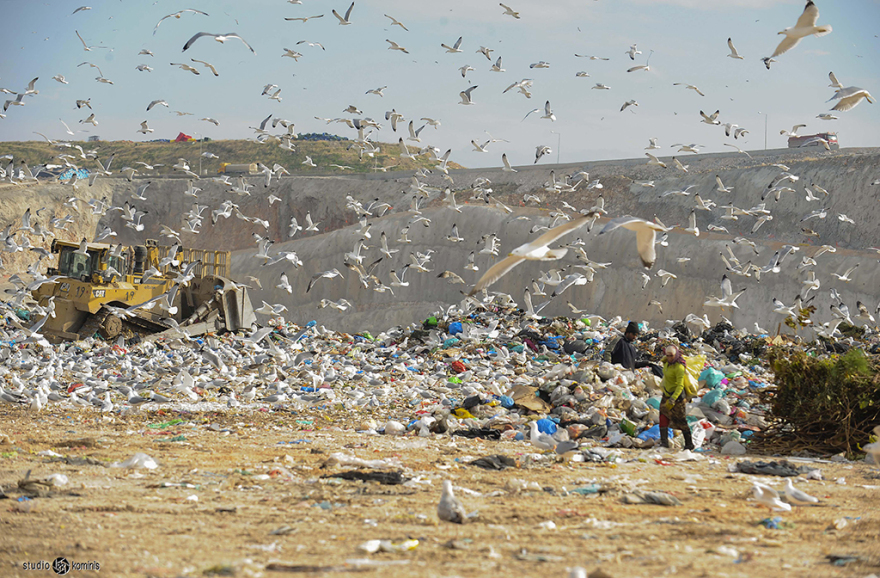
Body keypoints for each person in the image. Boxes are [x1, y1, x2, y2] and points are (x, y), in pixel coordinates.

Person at [659, 344, 694, 450]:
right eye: (667, 355)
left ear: (676, 354)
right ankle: (664, 443)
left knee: (681, 420)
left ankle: (689, 444)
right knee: (662, 417)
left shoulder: (679, 367)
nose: (669, 358)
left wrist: (673, 398)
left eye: (671, 355)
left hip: (677, 397)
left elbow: (680, 385)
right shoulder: (667, 363)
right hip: (667, 395)